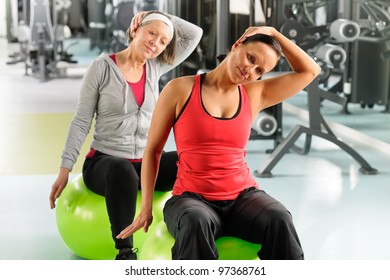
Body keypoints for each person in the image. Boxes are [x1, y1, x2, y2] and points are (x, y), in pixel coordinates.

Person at [117, 25, 321, 260]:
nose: (250, 70)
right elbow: (153, 150)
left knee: (280, 218)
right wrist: (146, 208)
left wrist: (274, 33)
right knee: (196, 222)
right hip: (191, 199)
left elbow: (310, 71)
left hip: (243, 198)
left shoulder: (255, 94)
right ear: (237, 46)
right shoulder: (180, 89)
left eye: (258, 70)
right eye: (250, 58)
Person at [49, 10, 203, 260]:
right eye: (151, 33)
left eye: (163, 41)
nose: (156, 43)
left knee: (191, 160)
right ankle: (125, 252)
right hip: (105, 163)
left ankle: (199, 231)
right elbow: (81, 121)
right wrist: (65, 168)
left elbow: (195, 34)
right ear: (135, 29)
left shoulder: (156, 66)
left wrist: (160, 17)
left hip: (145, 163)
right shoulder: (101, 68)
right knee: (121, 169)